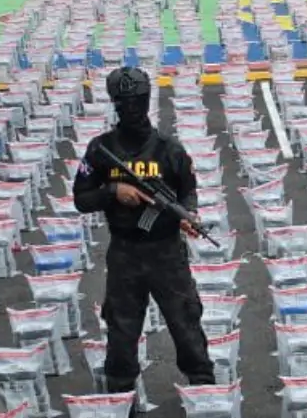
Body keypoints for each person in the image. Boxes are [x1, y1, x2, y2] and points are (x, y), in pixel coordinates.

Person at [72, 67, 216, 399]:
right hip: (125, 253)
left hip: (166, 252)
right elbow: (81, 199)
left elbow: (187, 191)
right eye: (125, 103)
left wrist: (186, 215)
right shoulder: (100, 149)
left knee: (186, 323)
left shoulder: (169, 149)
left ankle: (205, 393)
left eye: (137, 102)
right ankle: (122, 398)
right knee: (122, 330)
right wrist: (113, 191)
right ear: (116, 104)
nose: (132, 109)